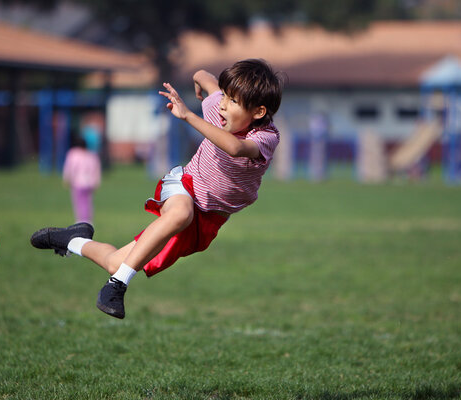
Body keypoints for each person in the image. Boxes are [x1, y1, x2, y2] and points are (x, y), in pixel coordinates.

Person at [31, 59, 284, 319]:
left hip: (209, 218)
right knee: (179, 214)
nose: (221, 104)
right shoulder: (218, 109)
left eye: (232, 101)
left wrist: (188, 113)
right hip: (185, 187)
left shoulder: (265, 137)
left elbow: (235, 148)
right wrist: (199, 79)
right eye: (225, 96)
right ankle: (117, 286)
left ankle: (73, 239)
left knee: (115, 262)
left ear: (258, 112)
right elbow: (207, 79)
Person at [62, 134, 102, 223]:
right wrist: (96, 182)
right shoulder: (91, 155)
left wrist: (66, 179)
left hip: (78, 182)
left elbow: (70, 168)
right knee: (87, 203)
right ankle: (88, 221)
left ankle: (80, 222)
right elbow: (96, 169)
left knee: (79, 204)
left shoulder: (73, 154)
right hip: (89, 183)